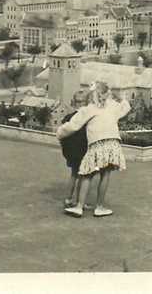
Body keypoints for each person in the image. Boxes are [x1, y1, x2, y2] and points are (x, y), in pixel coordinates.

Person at [57, 82, 131, 218]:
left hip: (97, 143)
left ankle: (79, 207)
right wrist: (122, 98)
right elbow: (125, 108)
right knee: (105, 174)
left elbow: (73, 126)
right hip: (113, 143)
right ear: (107, 95)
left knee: (86, 174)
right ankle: (100, 207)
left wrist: (60, 133)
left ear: (91, 96)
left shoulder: (89, 109)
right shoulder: (112, 106)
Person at [59, 90, 91, 208]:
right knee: (83, 176)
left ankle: (68, 198)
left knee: (74, 174)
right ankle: (79, 201)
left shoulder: (68, 117)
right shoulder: (87, 119)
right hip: (83, 151)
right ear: (87, 103)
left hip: (71, 152)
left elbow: (62, 135)